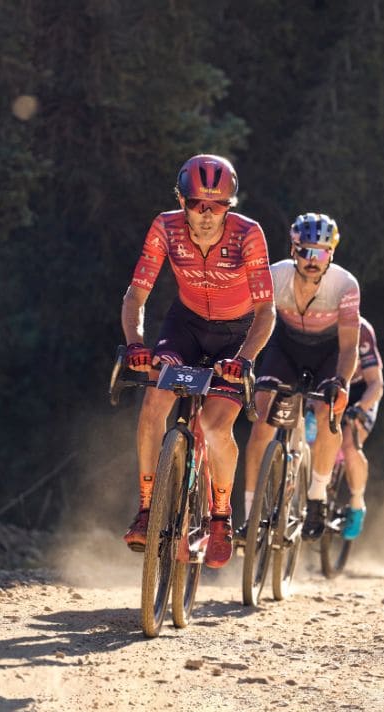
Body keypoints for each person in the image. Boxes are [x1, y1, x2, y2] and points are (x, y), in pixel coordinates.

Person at [121, 154, 276, 569]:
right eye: (197, 204)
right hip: (185, 325)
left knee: (213, 423)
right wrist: (136, 342)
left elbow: (267, 313)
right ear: (181, 200)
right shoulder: (165, 227)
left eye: (219, 206)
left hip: (236, 333)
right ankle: (147, 508)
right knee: (155, 400)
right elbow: (136, 296)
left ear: (231, 206)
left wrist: (244, 359)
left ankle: (222, 517)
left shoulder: (249, 234)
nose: (207, 216)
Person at [243, 212, 360, 540]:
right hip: (285, 347)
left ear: (331, 254)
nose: (313, 260)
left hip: (328, 352)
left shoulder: (345, 285)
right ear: (293, 249)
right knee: (261, 420)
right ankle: (251, 516)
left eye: (321, 253)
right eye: (306, 251)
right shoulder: (274, 276)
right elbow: (251, 323)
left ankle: (317, 495)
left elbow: (350, 346)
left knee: (327, 412)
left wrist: (342, 381)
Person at [337, 316, 384, 539]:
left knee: (349, 445)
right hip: (330, 389)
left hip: (361, 393)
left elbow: (376, 383)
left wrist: (360, 407)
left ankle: (356, 502)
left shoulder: (362, 329)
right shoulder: (312, 322)